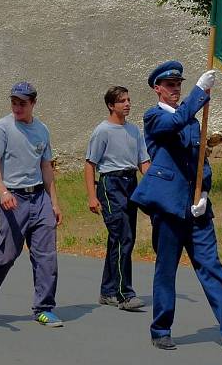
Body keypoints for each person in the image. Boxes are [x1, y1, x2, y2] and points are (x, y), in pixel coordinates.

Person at [131, 61, 222, 352]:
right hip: (168, 207)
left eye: (179, 84)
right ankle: (161, 328)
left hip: (196, 208)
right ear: (157, 89)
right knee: (166, 269)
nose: (175, 89)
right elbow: (174, 123)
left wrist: (204, 192)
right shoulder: (154, 117)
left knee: (211, 265)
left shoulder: (193, 120)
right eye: (170, 85)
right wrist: (199, 91)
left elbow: (201, 160)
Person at [0, 82, 64, 328]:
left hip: (39, 198)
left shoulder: (42, 130)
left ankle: (44, 307)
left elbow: (46, 167)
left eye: (22, 103)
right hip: (12, 199)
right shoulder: (2, 127)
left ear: (33, 103)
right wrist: (2, 191)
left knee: (47, 256)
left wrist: (54, 203)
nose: (17, 107)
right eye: (14, 102)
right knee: (5, 256)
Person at [84, 86, 150, 312]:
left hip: (131, 184)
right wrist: (92, 197)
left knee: (118, 239)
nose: (127, 104)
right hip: (111, 185)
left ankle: (107, 291)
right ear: (111, 105)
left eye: (129, 100)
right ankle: (125, 294)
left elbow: (143, 163)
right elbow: (90, 164)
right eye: (122, 101)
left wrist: (155, 184)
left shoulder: (134, 131)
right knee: (124, 237)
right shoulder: (102, 131)